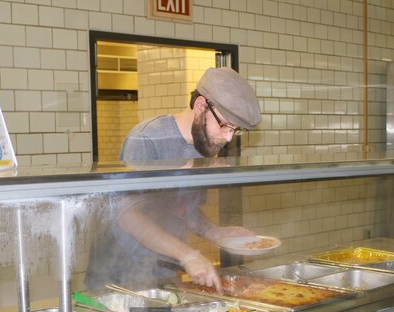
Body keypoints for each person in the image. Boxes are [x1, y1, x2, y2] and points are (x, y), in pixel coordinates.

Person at [85, 67, 262, 293]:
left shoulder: (205, 147)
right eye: (224, 126)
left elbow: (183, 210)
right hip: (119, 272)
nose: (227, 138)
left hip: (163, 270)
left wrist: (216, 233)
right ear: (200, 106)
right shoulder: (147, 138)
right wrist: (187, 254)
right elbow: (128, 216)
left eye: (235, 131)